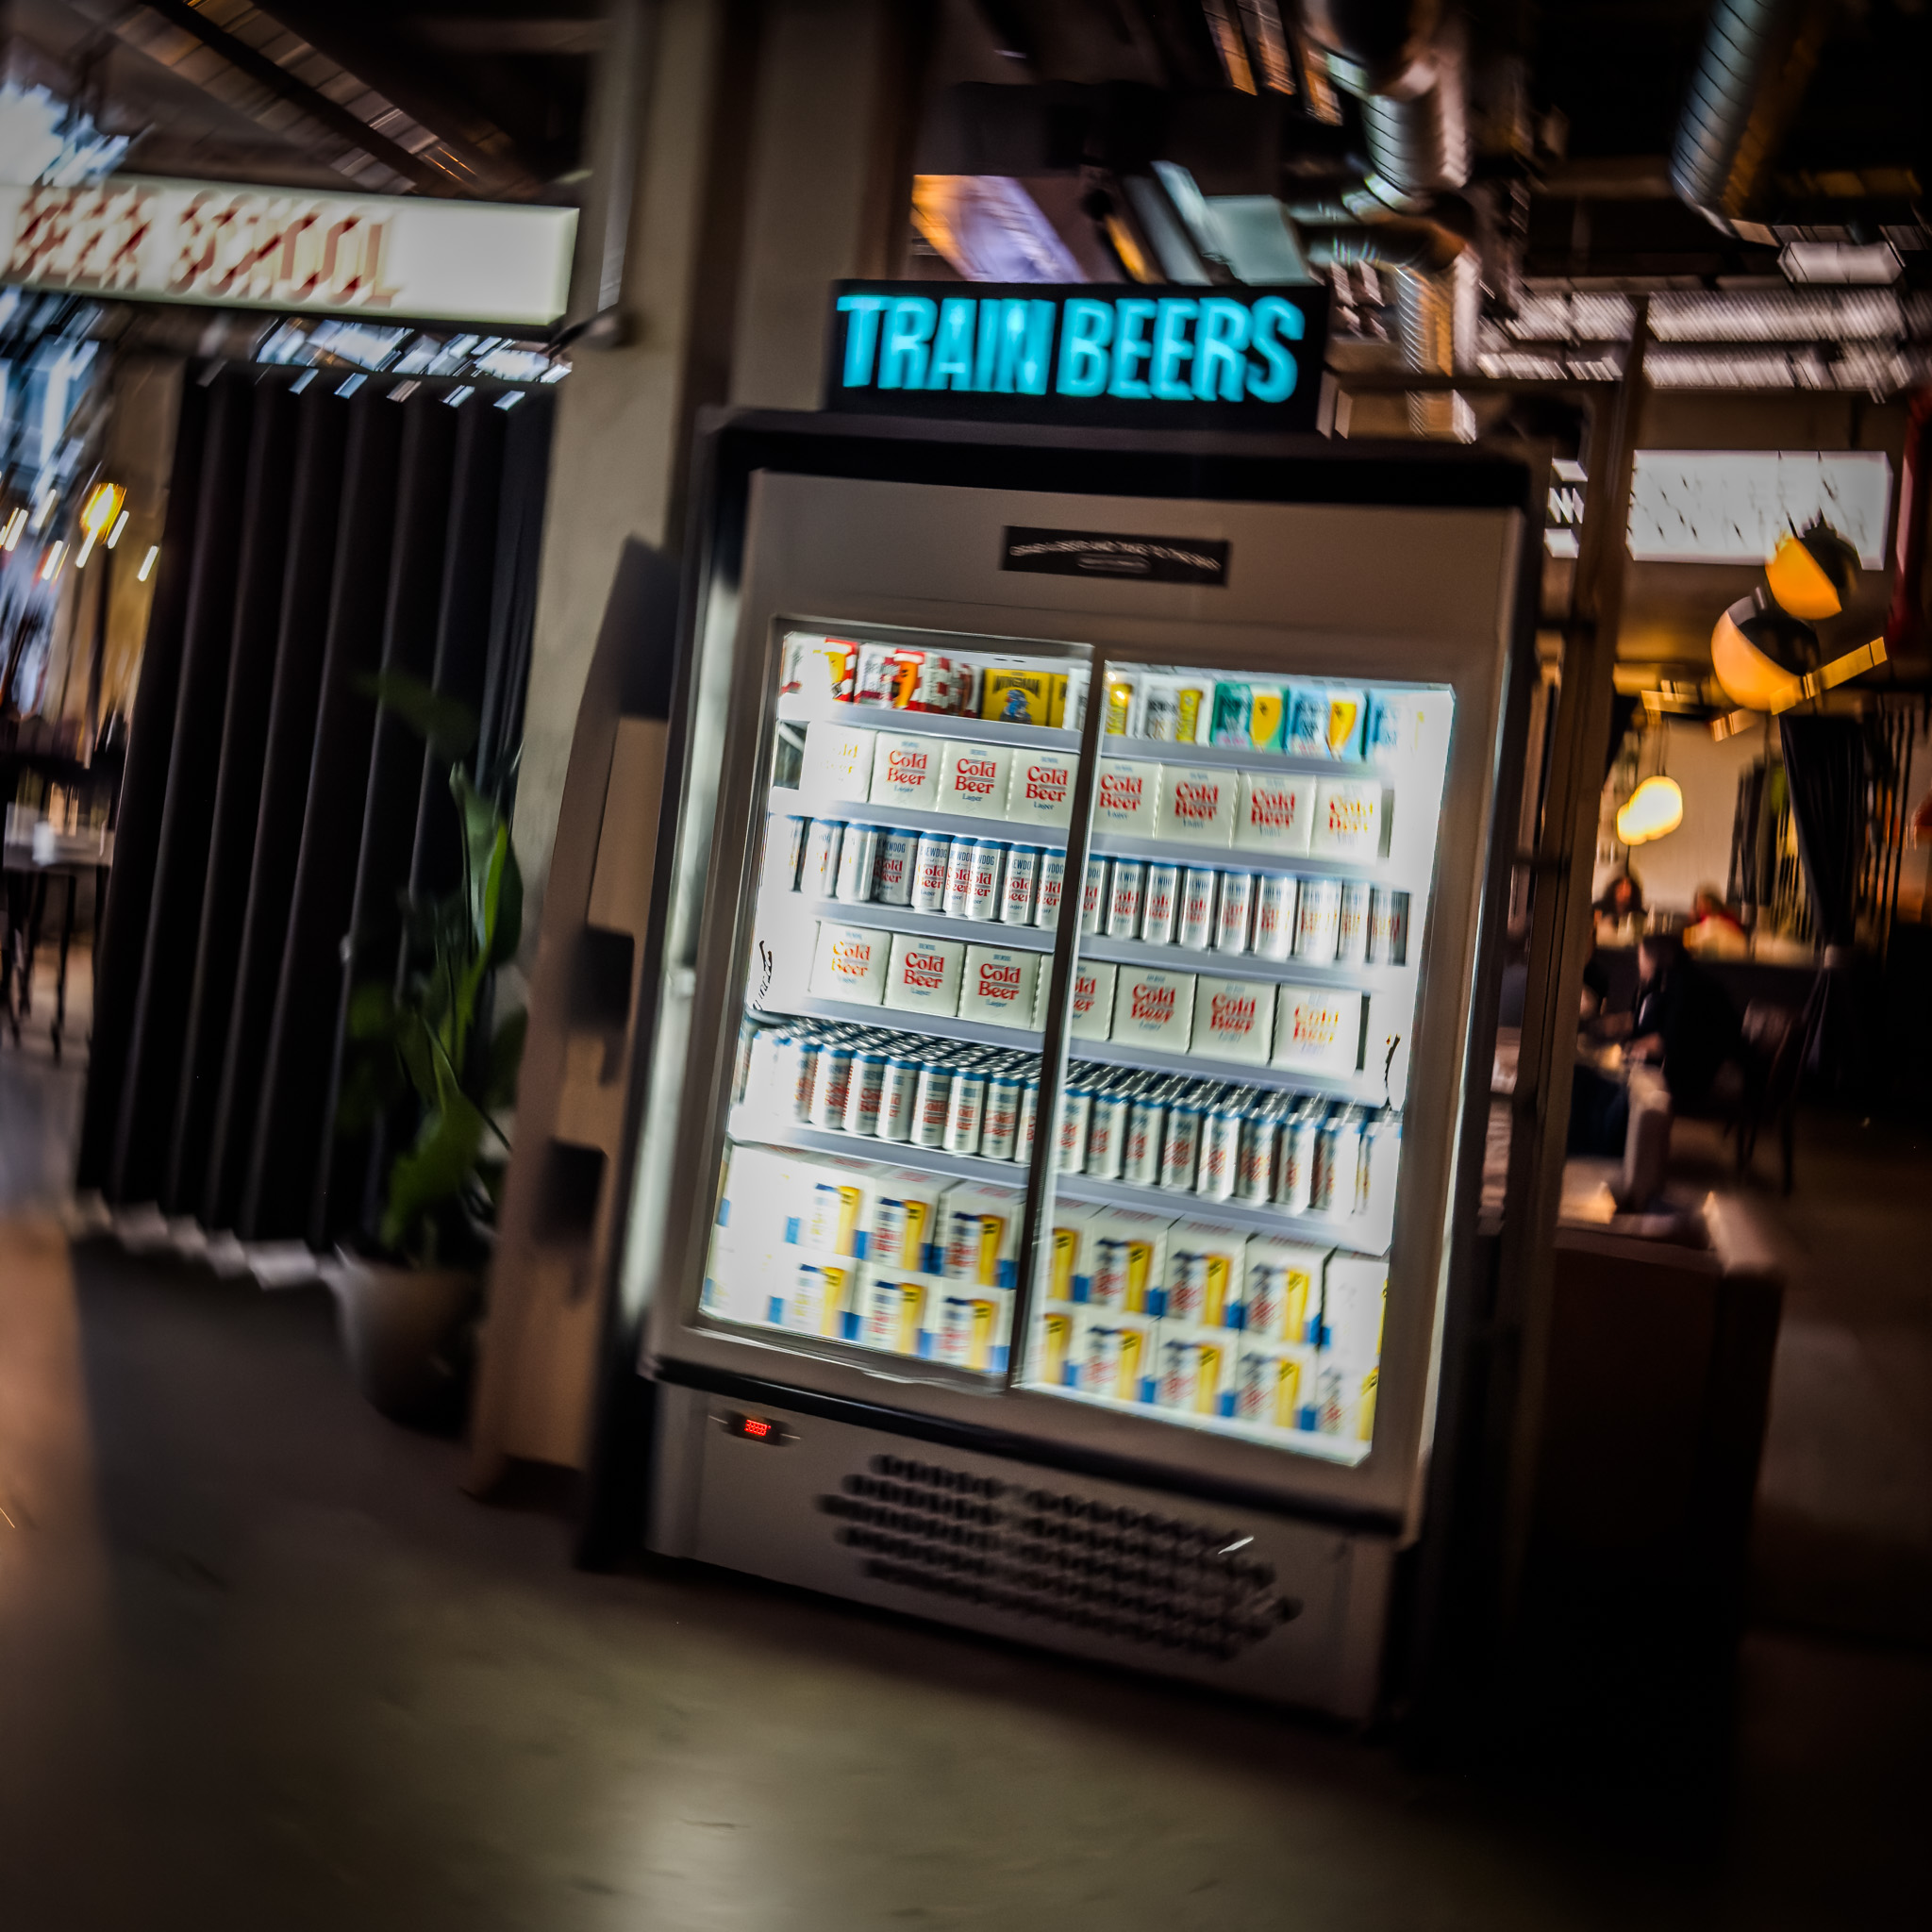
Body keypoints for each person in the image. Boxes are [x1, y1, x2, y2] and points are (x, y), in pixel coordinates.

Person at [1626, 930, 1743, 1108]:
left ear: (1654, 958)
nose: (1638, 963)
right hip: (1712, 1066)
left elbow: (1667, 1042)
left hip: (1708, 1077)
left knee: (1633, 1089)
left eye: (1641, 957)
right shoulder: (1685, 978)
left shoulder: (1684, 986)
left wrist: (1627, 1049)